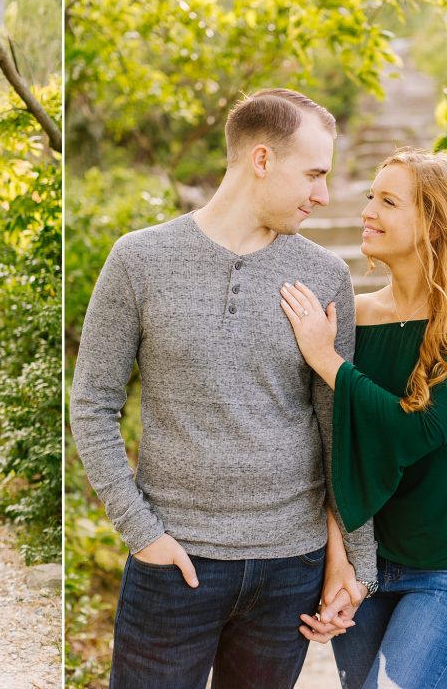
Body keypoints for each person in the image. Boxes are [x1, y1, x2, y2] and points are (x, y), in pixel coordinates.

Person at [70, 88, 377, 689]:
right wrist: (142, 533)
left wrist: (353, 558)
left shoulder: (324, 274)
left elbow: (340, 427)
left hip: (290, 568)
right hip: (174, 564)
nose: (323, 194)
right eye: (313, 174)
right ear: (261, 160)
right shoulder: (139, 259)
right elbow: (92, 403)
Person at [279, 148, 447, 689]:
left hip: (446, 566)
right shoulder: (353, 315)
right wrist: (342, 563)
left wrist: (327, 360)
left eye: (388, 201)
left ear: (434, 222)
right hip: (368, 566)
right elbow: (334, 448)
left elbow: (417, 431)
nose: (367, 211)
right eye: (369, 197)